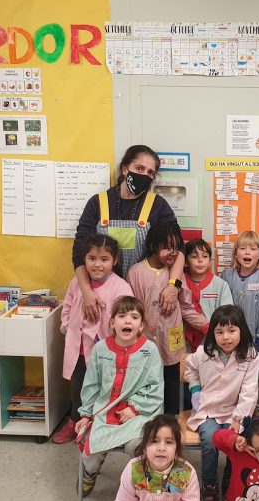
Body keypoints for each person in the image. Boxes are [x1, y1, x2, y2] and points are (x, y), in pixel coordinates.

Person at [72, 145, 183, 324]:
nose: (144, 175)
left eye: (150, 172)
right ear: (125, 169)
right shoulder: (97, 203)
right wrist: (86, 291)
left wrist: (173, 286)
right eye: (139, 168)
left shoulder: (158, 205)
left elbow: (178, 248)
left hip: (144, 292)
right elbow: (79, 251)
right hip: (101, 293)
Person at [76, 296, 164, 498]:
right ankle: (89, 473)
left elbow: (155, 387)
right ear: (112, 323)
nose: (127, 321)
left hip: (140, 414)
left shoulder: (149, 350)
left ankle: (139, 486)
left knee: (138, 445)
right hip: (104, 411)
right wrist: (86, 414)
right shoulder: (100, 349)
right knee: (90, 448)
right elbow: (91, 385)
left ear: (141, 325)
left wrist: (135, 408)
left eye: (134, 317)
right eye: (122, 316)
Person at [54, 234, 133, 444]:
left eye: (104, 259)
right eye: (92, 259)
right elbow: (68, 306)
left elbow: (126, 319)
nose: (97, 265)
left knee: (103, 387)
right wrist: (67, 327)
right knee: (78, 386)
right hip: (79, 348)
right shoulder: (77, 282)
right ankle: (75, 421)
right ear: (84, 259)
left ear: (114, 261)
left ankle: (98, 424)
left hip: (105, 350)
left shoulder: (121, 287)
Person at [183, 305, 259, 501]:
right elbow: (190, 369)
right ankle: (210, 485)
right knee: (210, 441)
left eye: (232, 330)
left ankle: (232, 483)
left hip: (236, 410)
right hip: (208, 409)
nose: (226, 337)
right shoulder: (203, 352)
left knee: (237, 441)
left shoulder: (251, 355)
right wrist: (196, 390)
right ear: (212, 333)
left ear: (242, 331)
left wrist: (238, 420)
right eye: (219, 332)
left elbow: (249, 392)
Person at [126, 221, 199, 415]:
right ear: (153, 245)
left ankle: (171, 421)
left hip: (173, 342)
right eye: (167, 248)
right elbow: (131, 310)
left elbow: (186, 307)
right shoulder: (136, 273)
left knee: (172, 384)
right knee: (147, 384)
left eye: (176, 248)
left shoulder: (176, 275)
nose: (173, 253)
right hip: (145, 342)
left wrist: (207, 325)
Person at [220, 231, 259, 377]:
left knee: (257, 380)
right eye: (242, 248)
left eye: (253, 249)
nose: (247, 252)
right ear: (235, 254)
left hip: (256, 341)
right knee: (232, 378)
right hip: (229, 341)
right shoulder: (226, 275)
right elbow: (221, 309)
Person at [181, 238, 233, 352]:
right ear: (185, 262)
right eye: (194, 256)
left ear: (210, 261)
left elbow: (227, 314)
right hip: (183, 341)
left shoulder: (220, 285)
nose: (200, 260)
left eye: (205, 256)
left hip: (211, 341)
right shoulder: (180, 282)